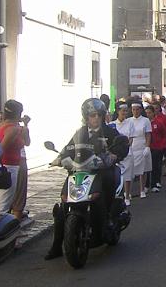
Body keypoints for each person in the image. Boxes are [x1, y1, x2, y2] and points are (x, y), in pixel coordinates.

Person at [45, 99, 129, 260]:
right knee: (62, 206)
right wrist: (59, 158)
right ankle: (56, 246)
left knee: (109, 179)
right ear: (86, 117)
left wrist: (115, 154)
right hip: (81, 171)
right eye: (92, 115)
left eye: (98, 115)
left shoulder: (110, 132)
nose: (95, 118)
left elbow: (122, 144)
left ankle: (110, 217)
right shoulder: (80, 133)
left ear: (103, 115)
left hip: (102, 171)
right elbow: (68, 148)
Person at [0, 100, 30, 216]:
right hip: (10, 166)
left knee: (7, 198)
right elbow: (2, 148)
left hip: (12, 164)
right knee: (6, 201)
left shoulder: (2, 125)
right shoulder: (13, 129)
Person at [130, 103, 152, 197]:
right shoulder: (128, 121)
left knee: (143, 170)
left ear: (140, 110)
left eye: (137, 109)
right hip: (132, 147)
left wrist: (147, 146)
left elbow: (148, 134)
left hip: (142, 146)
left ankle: (142, 190)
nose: (135, 111)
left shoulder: (145, 120)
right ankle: (128, 192)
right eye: (133, 109)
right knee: (130, 171)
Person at [145, 105, 166, 192]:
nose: (148, 114)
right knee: (146, 167)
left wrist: (162, 145)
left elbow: (164, 134)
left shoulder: (158, 122)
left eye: (149, 113)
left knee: (155, 166)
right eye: (146, 113)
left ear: (153, 113)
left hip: (157, 147)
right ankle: (146, 185)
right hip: (147, 147)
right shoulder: (144, 123)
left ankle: (154, 183)